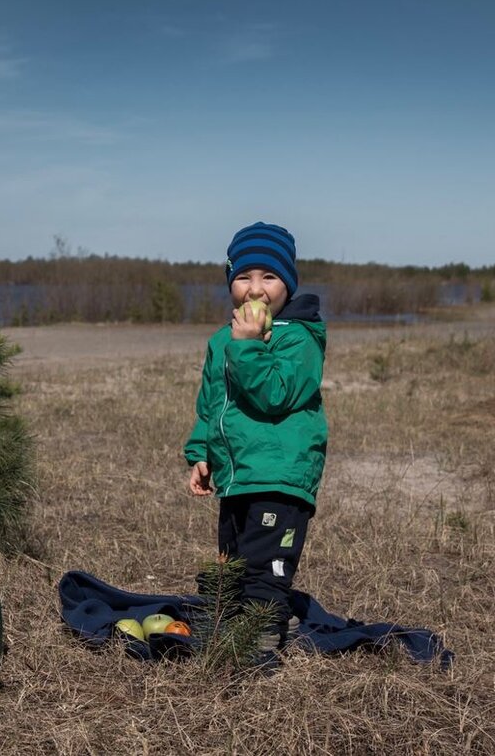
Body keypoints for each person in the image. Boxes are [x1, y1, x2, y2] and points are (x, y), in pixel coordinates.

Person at [182, 221, 327, 662]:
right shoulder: (222, 339)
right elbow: (211, 402)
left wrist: (248, 346)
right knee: (233, 565)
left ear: (288, 283)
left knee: (265, 572)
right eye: (243, 277)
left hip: (280, 476)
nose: (255, 289)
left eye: (269, 277)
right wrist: (201, 454)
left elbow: (275, 394)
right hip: (237, 477)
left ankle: (258, 645)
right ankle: (225, 630)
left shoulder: (298, 338)